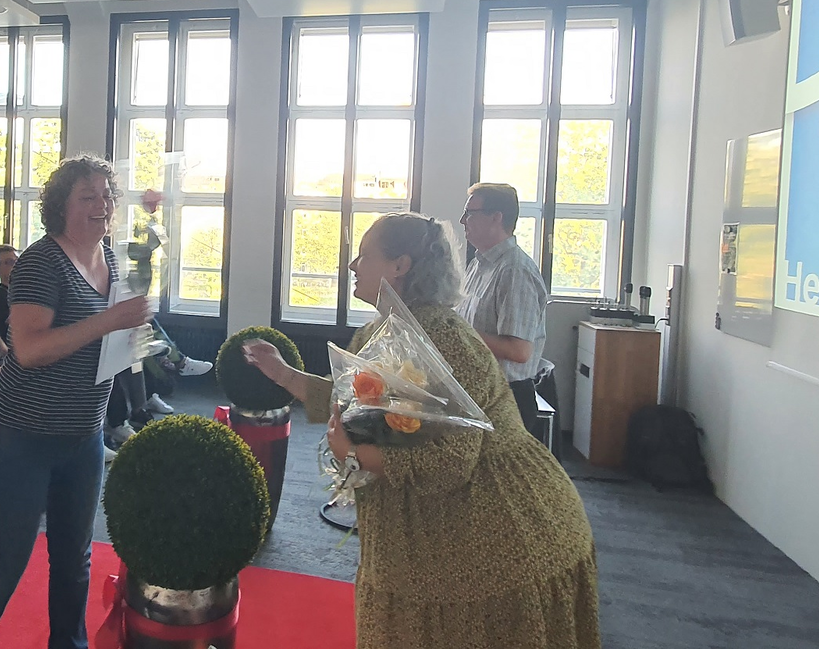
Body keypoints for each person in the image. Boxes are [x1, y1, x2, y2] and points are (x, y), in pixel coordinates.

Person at [244, 214, 599, 649]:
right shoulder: (381, 330)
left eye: (365, 255)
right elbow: (356, 402)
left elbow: (451, 461)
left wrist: (353, 455)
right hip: (427, 535)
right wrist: (283, 374)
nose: (353, 265)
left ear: (401, 266)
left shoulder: (443, 338)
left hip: (493, 537)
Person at [0, 157, 155, 649]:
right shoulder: (41, 261)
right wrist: (111, 321)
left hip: (83, 434)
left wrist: (130, 336)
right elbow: (29, 350)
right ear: (60, 207)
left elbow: (109, 335)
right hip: (21, 438)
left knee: (75, 561)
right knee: (2, 567)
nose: (101, 205)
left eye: (106, 195)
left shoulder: (110, 258)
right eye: (87, 196)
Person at [455, 182, 549, 433]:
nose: (463, 220)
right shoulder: (479, 264)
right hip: (480, 391)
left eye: (470, 213)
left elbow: (519, 350)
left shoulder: (515, 270)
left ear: (496, 217)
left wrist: (458, 332)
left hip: (507, 398)